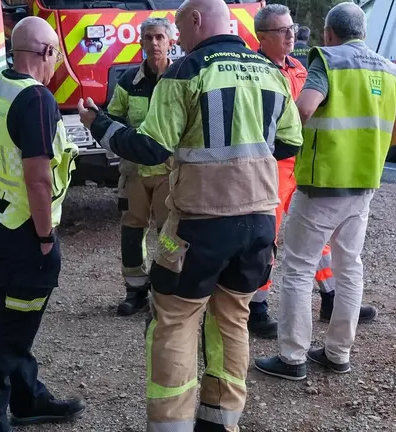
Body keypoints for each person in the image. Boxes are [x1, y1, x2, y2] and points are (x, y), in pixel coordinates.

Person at [78, 0, 303, 428]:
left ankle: (171, 424)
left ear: (197, 20)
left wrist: (99, 124)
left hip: (198, 223)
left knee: (175, 320)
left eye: (179, 28)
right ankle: (221, 419)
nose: (177, 38)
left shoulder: (185, 72)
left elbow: (150, 147)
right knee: (233, 319)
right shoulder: (270, 71)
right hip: (258, 223)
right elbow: (290, 142)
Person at [254, 2, 396, 380]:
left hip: (321, 184)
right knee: (349, 267)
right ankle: (338, 354)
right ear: (363, 33)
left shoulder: (327, 60)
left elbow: (305, 109)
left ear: (328, 33)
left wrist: (279, 139)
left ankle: (292, 358)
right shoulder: (391, 70)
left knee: (298, 268)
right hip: (363, 186)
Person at [0, 16, 85, 431]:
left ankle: (28, 399)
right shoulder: (36, 99)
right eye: (56, 56)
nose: (56, 65)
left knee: (14, 315)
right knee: (10, 327)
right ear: (47, 52)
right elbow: (38, 179)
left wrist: (5, 147)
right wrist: (45, 237)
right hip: (26, 234)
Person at [246, 5, 378, 339]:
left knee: (318, 237)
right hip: (272, 164)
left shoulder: (300, 68)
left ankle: (331, 297)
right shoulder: (252, 72)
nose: (290, 35)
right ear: (262, 37)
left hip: (304, 163)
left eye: (292, 28)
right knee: (266, 237)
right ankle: (256, 308)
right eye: (281, 30)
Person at [107, 18, 177, 316]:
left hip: (168, 171)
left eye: (160, 37)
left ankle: (167, 291)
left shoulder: (180, 78)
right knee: (132, 229)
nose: (154, 43)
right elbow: (113, 117)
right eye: (148, 37)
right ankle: (135, 290)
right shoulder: (127, 81)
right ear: (141, 43)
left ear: (171, 41)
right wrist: (128, 141)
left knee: (169, 233)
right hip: (134, 170)